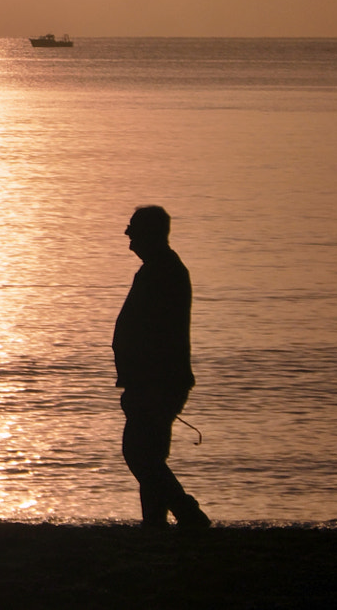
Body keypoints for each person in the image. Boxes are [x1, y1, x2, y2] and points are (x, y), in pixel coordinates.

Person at [113, 204, 210, 529]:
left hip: (156, 382)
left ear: (150, 234)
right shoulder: (160, 268)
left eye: (133, 228)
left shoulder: (164, 270)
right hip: (153, 380)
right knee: (149, 453)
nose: (127, 234)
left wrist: (141, 380)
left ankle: (186, 513)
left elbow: (155, 332)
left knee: (140, 454)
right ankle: (154, 523)